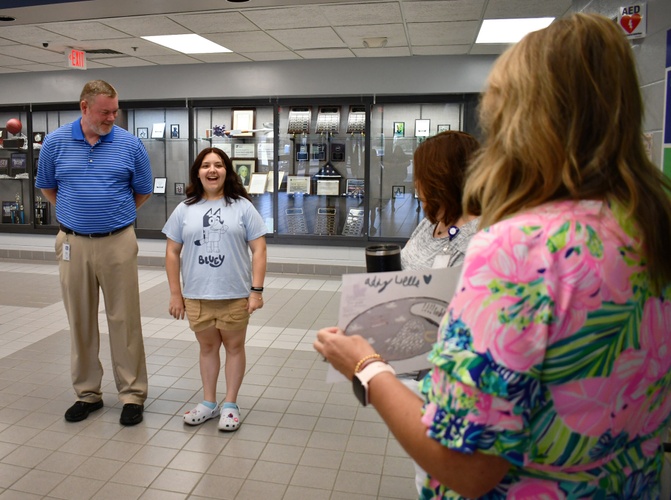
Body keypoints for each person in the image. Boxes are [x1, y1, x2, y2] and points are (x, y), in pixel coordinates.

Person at [315, 13, 671, 499]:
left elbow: (467, 467)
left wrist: (367, 366)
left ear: (522, 121)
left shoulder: (519, 248)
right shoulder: (649, 224)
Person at [35, 80, 152, 426]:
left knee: (124, 319)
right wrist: (76, 216)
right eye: (105, 111)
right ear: (84, 107)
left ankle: (132, 395)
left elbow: (142, 192)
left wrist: (112, 216)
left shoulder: (130, 145)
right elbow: (47, 187)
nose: (112, 117)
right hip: (73, 243)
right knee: (80, 320)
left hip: (118, 241)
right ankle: (87, 394)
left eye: (115, 111)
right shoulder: (55, 143)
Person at [163, 147, 267, 430]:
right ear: (198, 172)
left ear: (227, 171)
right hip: (197, 295)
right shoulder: (184, 209)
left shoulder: (242, 207)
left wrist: (256, 291)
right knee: (207, 348)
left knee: (234, 348)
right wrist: (176, 294)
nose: (212, 170)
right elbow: (172, 252)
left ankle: (230, 404)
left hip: (234, 294)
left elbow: (259, 249)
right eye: (206, 165)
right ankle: (209, 402)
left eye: (218, 165)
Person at [401, 131, 480, 271]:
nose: (416, 184)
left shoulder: (475, 241)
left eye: (421, 176)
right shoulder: (432, 222)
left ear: (440, 180)